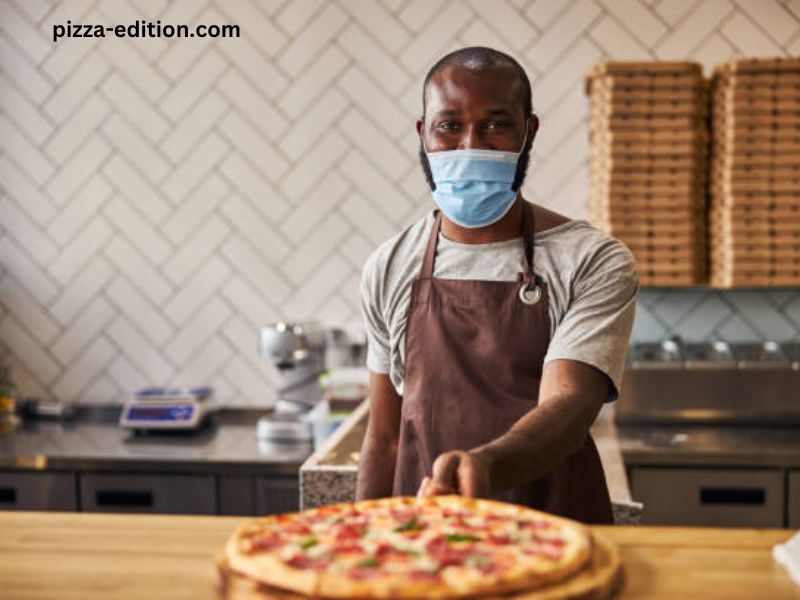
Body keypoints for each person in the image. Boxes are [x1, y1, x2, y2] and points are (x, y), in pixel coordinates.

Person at [355, 46, 638, 524]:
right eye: (449, 126)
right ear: (424, 134)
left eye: (496, 124)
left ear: (528, 132)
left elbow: (569, 404)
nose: (471, 145)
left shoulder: (591, 259)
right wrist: (361, 546)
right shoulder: (389, 265)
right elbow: (384, 437)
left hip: (555, 526)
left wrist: (486, 464)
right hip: (427, 538)